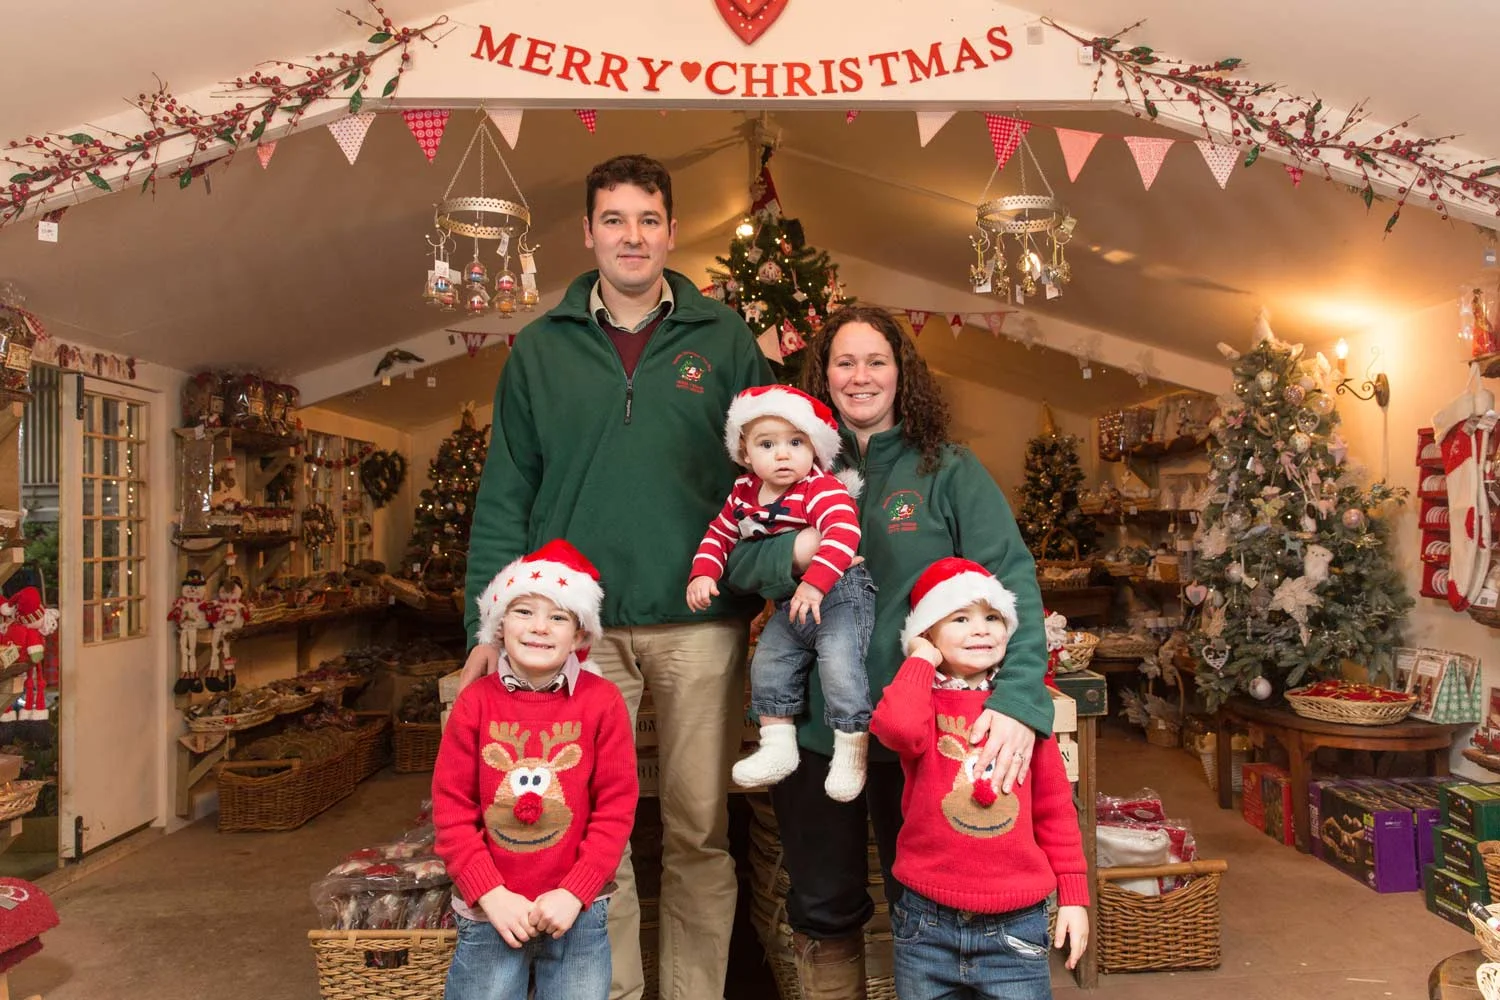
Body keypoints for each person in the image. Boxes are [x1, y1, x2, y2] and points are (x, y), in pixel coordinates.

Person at [458, 153, 773, 1000]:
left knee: (699, 830)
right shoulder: (540, 349)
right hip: (571, 639)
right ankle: (616, 991)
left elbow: (769, 481)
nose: (631, 236)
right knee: (596, 830)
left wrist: (772, 582)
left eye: (647, 220)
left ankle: (695, 991)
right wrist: (482, 635)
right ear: (587, 232)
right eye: (613, 220)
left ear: (671, 231)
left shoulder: (724, 338)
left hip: (699, 627)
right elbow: (504, 498)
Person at [723, 304, 1054, 996]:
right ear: (824, 375)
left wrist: (1021, 699)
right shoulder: (786, 465)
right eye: (844, 362)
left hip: (928, 735)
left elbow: (1012, 579)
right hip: (815, 728)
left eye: (877, 361)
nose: (860, 376)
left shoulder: (948, 470)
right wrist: (796, 550)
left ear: (903, 375)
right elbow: (735, 561)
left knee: (927, 904)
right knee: (821, 907)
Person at [871, 556, 1088, 1000]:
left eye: (993, 617)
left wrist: (1074, 896)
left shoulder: (1021, 710)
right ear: (927, 631)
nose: (982, 628)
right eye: (960, 617)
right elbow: (895, 730)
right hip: (926, 923)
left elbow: (1055, 810)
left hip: (1016, 926)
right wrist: (922, 660)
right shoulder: (923, 701)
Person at [434, 540, 638, 1000]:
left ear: (581, 636)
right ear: (498, 623)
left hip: (577, 913)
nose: (540, 628)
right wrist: (488, 892)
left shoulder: (602, 702)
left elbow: (616, 807)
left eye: (559, 617)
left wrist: (575, 890)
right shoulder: (476, 703)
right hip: (491, 913)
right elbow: (451, 808)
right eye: (524, 611)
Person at [687, 384, 873, 802]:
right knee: (769, 661)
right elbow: (718, 536)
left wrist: (814, 581)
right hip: (795, 598)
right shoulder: (743, 494)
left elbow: (844, 534)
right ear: (746, 454)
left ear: (816, 449)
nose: (783, 454)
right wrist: (702, 574)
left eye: (795, 442)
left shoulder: (820, 488)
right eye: (767, 444)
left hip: (839, 590)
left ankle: (850, 748)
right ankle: (777, 746)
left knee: (840, 665)